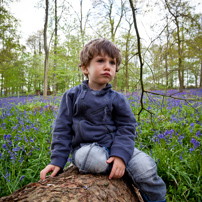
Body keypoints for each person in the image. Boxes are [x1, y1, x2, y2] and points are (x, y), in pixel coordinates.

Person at [40, 38, 166, 202]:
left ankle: (155, 198)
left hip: (117, 145)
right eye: (100, 61)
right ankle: (124, 170)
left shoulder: (118, 99)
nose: (108, 66)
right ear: (85, 67)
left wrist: (120, 155)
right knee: (90, 159)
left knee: (146, 167)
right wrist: (57, 161)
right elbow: (62, 129)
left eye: (112, 63)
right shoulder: (71, 96)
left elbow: (127, 127)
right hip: (87, 148)